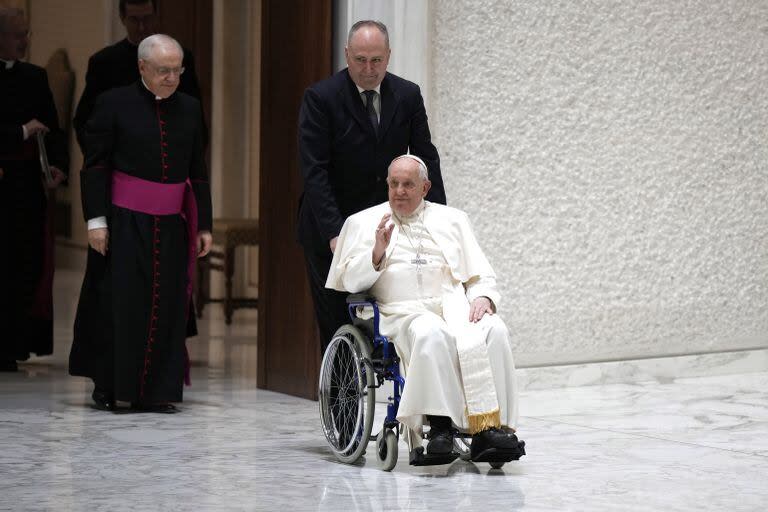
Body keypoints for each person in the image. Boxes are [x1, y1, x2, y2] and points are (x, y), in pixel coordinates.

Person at [326, 155, 526, 463]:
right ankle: (440, 428)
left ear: (426, 187)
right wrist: (376, 252)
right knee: (431, 331)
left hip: (454, 306)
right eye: (394, 184)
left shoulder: (453, 219)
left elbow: (479, 274)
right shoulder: (363, 222)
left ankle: (492, 429)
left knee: (494, 329)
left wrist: (483, 297)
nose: (399, 191)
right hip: (399, 311)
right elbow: (350, 281)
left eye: (408, 184)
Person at [68, 34, 212, 413]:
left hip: (170, 225)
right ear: (142, 68)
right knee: (120, 305)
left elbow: (198, 171)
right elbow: (95, 165)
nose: (171, 78)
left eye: (177, 71)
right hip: (123, 222)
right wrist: (96, 221)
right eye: (163, 70)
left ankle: (158, 390)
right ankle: (112, 386)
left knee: (167, 307)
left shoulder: (191, 109)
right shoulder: (113, 104)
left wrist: (204, 225)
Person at [298, 20, 447, 352]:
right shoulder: (321, 98)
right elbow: (315, 172)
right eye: (360, 59)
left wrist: (440, 222)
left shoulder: (407, 95)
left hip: (385, 226)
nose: (368, 69)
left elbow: (426, 158)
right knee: (338, 324)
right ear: (347, 55)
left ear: (389, 56)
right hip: (331, 227)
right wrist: (336, 234)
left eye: (376, 60)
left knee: (393, 315)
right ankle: (341, 403)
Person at [0, 7, 67, 372]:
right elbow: (27, 129)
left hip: (25, 189)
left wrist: (55, 167)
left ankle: (14, 346)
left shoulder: (35, 77)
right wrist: (21, 131)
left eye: (27, 33)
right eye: (16, 34)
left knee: (25, 265)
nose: (24, 41)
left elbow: (53, 130)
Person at [72, 0, 204, 153]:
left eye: (147, 19)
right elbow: (85, 120)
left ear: (155, 16)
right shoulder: (104, 63)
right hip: (120, 160)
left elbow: (195, 117)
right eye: (134, 20)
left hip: (167, 157)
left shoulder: (180, 58)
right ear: (122, 18)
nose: (141, 27)